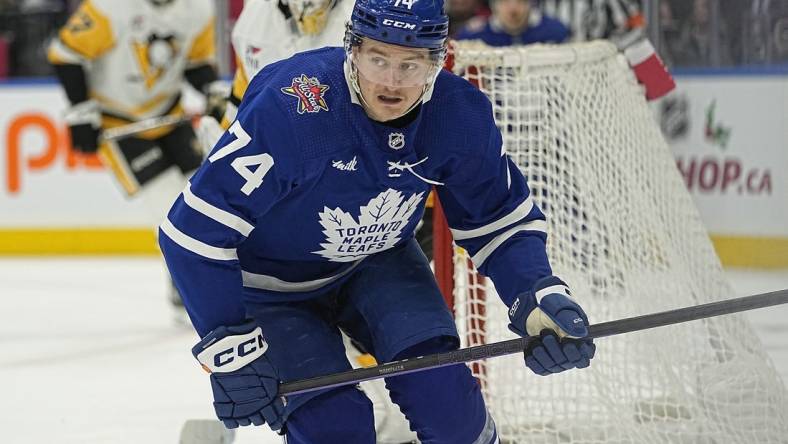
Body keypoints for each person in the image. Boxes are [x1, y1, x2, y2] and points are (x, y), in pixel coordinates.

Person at [160, 0, 596, 441]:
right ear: (352, 49)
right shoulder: (293, 107)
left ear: (438, 60)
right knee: (336, 428)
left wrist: (537, 292)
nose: (391, 81)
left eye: (410, 64)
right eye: (377, 58)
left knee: (449, 409)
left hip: (379, 264)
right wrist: (231, 351)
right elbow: (191, 233)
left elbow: (499, 219)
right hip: (270, 291)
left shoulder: (458, 114)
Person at [47, 0, 223, 319]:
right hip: (118, 122)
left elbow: (195, 63)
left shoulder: (197, 9)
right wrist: (80, 112)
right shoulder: (109, 7)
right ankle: (183, 282)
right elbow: (65, 53)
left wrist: (213, 91)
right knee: (168, 205)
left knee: (208, 196)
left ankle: (212, 276)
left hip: (171, 113)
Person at [455, 0, 570, 46]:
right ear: (494, 5)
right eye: (505, 1)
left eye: (520, 1)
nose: (513, 9)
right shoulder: (473, 36)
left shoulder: (554, 31)